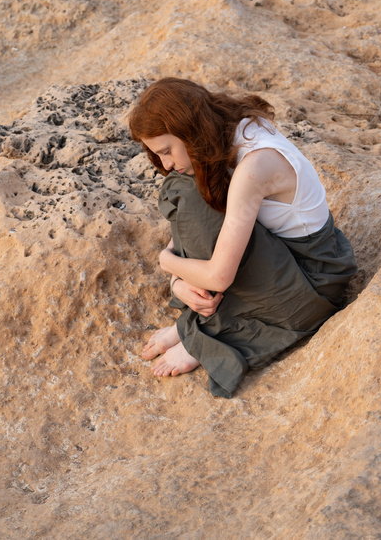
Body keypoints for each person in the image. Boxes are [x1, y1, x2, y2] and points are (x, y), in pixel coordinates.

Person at [128, 77, 357, 398]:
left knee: (185, 192)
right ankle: (199, 313)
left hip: (312, 284)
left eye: (167, 150)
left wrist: (167, 263)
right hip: (291, 253)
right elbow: (209, 219)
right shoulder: (227, 127)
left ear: (189, 130)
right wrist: (180, 282)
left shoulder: (254, 167)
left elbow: (220, 276)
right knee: (185, 186)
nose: (164, 163)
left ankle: (202, 333)